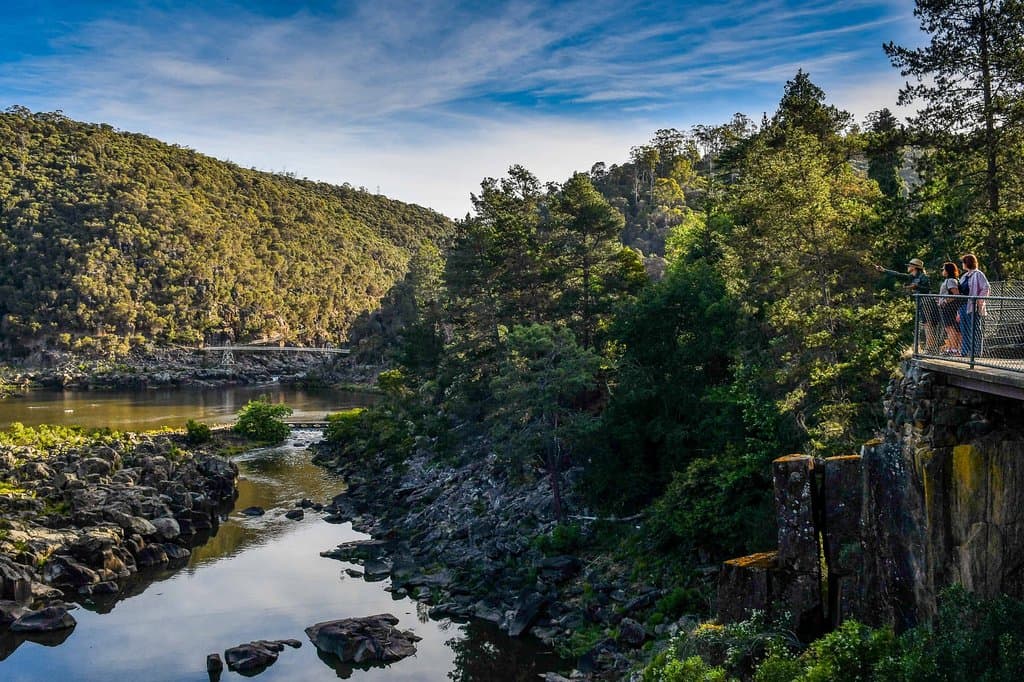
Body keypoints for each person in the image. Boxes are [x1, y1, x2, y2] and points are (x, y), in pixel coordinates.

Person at [874, 258, 936, 350]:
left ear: (915, 267)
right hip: (920, 303)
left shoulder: (924, 277)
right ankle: (927, 346)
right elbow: (898, 275)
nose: (908, 267)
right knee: (924, 324)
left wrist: (915, 286)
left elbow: (927, 289)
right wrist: (884, 270)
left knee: (928, 324)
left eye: (910, 266)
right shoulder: (912, 276)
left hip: (927, 303)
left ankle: (930, 347)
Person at [959, 253, 990, 358]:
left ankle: (976, 353)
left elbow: (986, 287)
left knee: (975, 329)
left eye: (963, 262)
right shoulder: (964, 276)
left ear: (967, 263)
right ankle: (965, 352)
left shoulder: (978, 274)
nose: (962, 265)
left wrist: (979, 300)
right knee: (964, 329)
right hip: (963, 306)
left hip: (973, 306)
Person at [937, 261, 962, 354]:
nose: (942, 271)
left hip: (950, 308)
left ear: (948, 270)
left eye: (943, 269)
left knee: (950, 328)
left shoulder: (951, 280)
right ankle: (952, 348)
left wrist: (944, 301)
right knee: (950, 328)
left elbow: (956, 294)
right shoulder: (948, 280)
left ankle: (954, 349)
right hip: (946, 308)